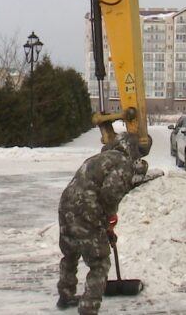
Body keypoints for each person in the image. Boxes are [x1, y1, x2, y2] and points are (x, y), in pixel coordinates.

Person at [56, 133, 148, 314]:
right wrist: (110, 216)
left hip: (66, 207)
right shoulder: (123, 163)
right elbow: (110, 193)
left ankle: (65, 296)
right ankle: (88, 308)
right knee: (99, 263)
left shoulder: (98, 158)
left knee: (71, 253)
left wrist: (106, 227)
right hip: (87, 211)